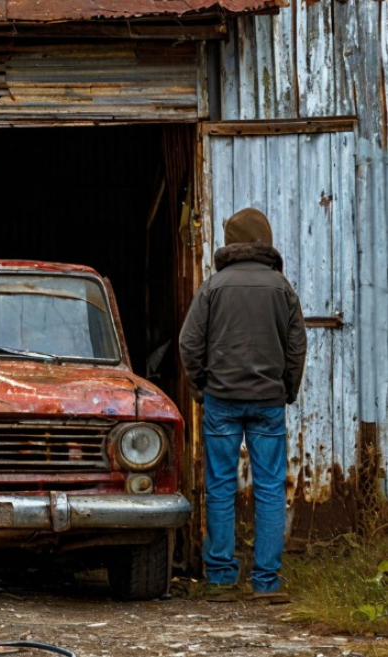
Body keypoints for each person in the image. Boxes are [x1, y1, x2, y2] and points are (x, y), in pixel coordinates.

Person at [179, 207, 307, 603]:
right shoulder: (282, 287)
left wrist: (202, 387)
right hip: (268, 401)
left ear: (232, 241)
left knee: (219, 486)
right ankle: (266, 582)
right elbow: (296, 346)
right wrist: (286, 389)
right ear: (264, 239)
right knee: (269, 488)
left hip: (223, 399)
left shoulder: (214, 287)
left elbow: (189, 343)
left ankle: (220, 579)